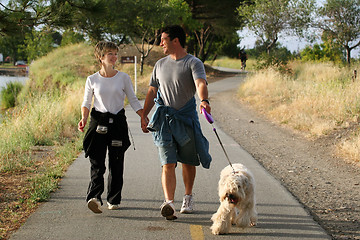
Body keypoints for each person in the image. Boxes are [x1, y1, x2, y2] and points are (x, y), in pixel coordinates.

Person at [140, 25, 212, 220]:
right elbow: (152, 91)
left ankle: (187, 197)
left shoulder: (193, 62)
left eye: (163, 39)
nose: (160, 43)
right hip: (164, 120)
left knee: (188, 161)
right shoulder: (160, 65)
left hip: (186, 118)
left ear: (175, 41)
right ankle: (169, 203)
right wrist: (144, 115)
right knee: (168, 162)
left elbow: (200, 83)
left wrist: (204, 100)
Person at [78, 41, 143, 214]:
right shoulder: (92, 79)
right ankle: (94, 197)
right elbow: (86, 102)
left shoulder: (123, 78)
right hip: (98, 121)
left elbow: (133, 100)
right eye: (110, 54)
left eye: (115, 53)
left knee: (116, 163)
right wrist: (83, 118)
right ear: (101, 57)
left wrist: (143, 117)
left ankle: (114, 199)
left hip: (117, 123)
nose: (114, 57)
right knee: (97, 163)